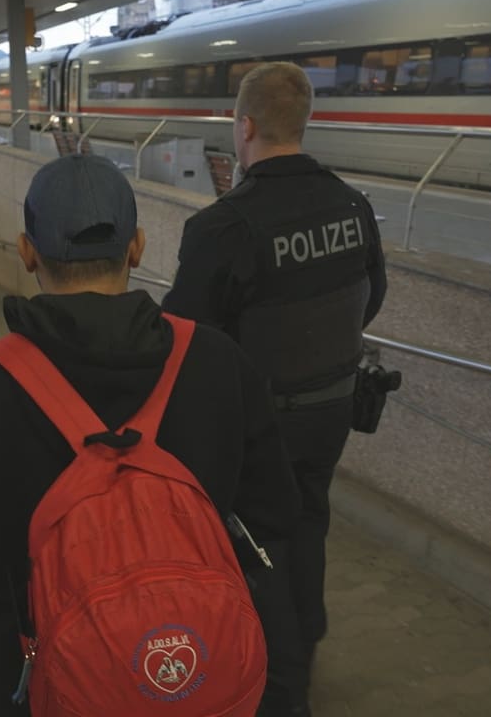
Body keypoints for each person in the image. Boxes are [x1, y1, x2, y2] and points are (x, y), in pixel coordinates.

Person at [0, 154, 300, 716]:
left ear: (27, 250)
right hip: (201, 661)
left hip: (46, 673)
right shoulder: (217, 360)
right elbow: (276, 515)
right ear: (135, 247)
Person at [162, 62, 388, 716]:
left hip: (257, 430)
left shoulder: (225, 226)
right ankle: (303, 648)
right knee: (309, 523)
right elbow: (370, 298)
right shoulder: (352, 205)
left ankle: (275, 684)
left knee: (255, 545)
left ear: (247, 126)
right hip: (334, 412)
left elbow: (183, 339)